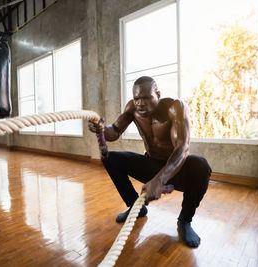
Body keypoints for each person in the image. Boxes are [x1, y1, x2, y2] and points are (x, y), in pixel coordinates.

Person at [89, 76, 212, 248]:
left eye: (146, 97)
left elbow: (182, 149)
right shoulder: (132, 108)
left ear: (158, 94)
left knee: (201, 166)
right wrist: (102, 129)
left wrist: (160, 180)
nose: (140, 103)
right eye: (137, 98)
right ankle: (136, 207)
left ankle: (185, 221)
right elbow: (115, 131)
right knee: (109, 158)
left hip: (175, 169)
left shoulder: (175, 108)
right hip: (151, 164)